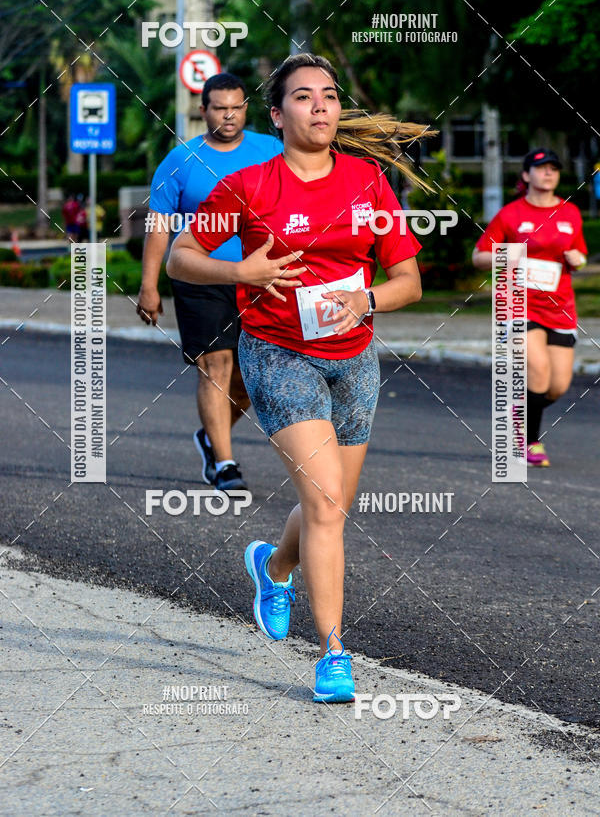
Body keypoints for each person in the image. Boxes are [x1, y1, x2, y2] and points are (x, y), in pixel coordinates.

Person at [167, 53, 432, 703]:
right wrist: (240, 274)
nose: (320, 106)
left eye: (330, 95)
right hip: (277, 352)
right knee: (323, 506)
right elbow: (182, 255)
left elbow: (409, 280)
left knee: (333, 505)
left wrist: (365, 299)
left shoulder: (368, 182)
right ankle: (334, 653)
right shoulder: (250, 186)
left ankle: (273, 565)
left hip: (354, 358)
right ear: (277, 114)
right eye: (304, 97)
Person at [136, 73, 282, 492]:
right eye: (220, 107)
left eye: (236, 106)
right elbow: (159, 227)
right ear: (204, 112)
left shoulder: (270, 150)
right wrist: (149, 285)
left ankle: (211, 433)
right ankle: (225, 463)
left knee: (254, 372)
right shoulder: (179, 161)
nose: (229, 115)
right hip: (201, 275)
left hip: (262, 276)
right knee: (215, 365)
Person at [473, 148, 588, 466]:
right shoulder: (510, 215)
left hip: (560, 308)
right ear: (526, 175)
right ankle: (531, 443)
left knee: (557, 386)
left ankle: (518, 410)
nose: (548, 173)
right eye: (540, 168)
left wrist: (578, 259)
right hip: (520, 306)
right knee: (537, 371)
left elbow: (578, 253)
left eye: (553, 168)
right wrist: (503, 255)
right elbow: (478, 256)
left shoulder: (570, 213)